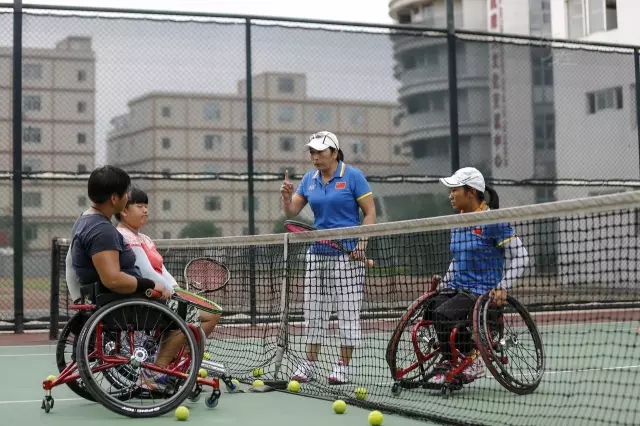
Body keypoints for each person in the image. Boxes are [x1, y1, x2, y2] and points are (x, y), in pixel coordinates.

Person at [64, 166, 182, 393]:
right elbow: (113, 280)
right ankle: (155, 373)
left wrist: (79, 297)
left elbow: (72, 263)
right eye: (126, 193)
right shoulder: (102, 231)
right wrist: (151, 284)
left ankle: (160, 365)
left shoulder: (84, 219)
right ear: (114, 198)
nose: (129, 197)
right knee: (187, 316)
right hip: (121, 303)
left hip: (112, 299)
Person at [280, 131, 376, 385]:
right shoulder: (309, 180)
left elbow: (369, 213)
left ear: (334, 153)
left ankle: (343, 365)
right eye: (312, 152)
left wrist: (361, 244)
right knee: (313, 311)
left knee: (347, 311)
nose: (315, 157)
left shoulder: (353, 176)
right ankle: (310, 363)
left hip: (348, 258)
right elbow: (292, 211)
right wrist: (287, 198)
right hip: (317, 254)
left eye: (320, 152)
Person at [426, 166, 530, 384]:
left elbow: (521, 256)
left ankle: (468, 360)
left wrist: (503, 286)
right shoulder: (457, 223)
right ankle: (451, 358)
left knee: (444, 314)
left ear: (471, 192)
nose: (450, 195)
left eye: (455, 190)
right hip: (458, 288)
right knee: (431, 307)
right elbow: (458, 259)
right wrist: (443, 284)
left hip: (482, 294)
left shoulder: (494, 220)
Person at [114, 186, 220, 344]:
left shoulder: (145, 238)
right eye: (140, 206)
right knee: (206, 316)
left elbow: (161, 268)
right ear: (124, 211)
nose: (145, 210)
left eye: (146, 206)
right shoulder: (124, 235)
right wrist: (172, 292)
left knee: (213, 314)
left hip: (162, 294)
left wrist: (175, 287)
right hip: (148, 297)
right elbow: (146, 272)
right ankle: (163, 363)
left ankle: (181, 356)